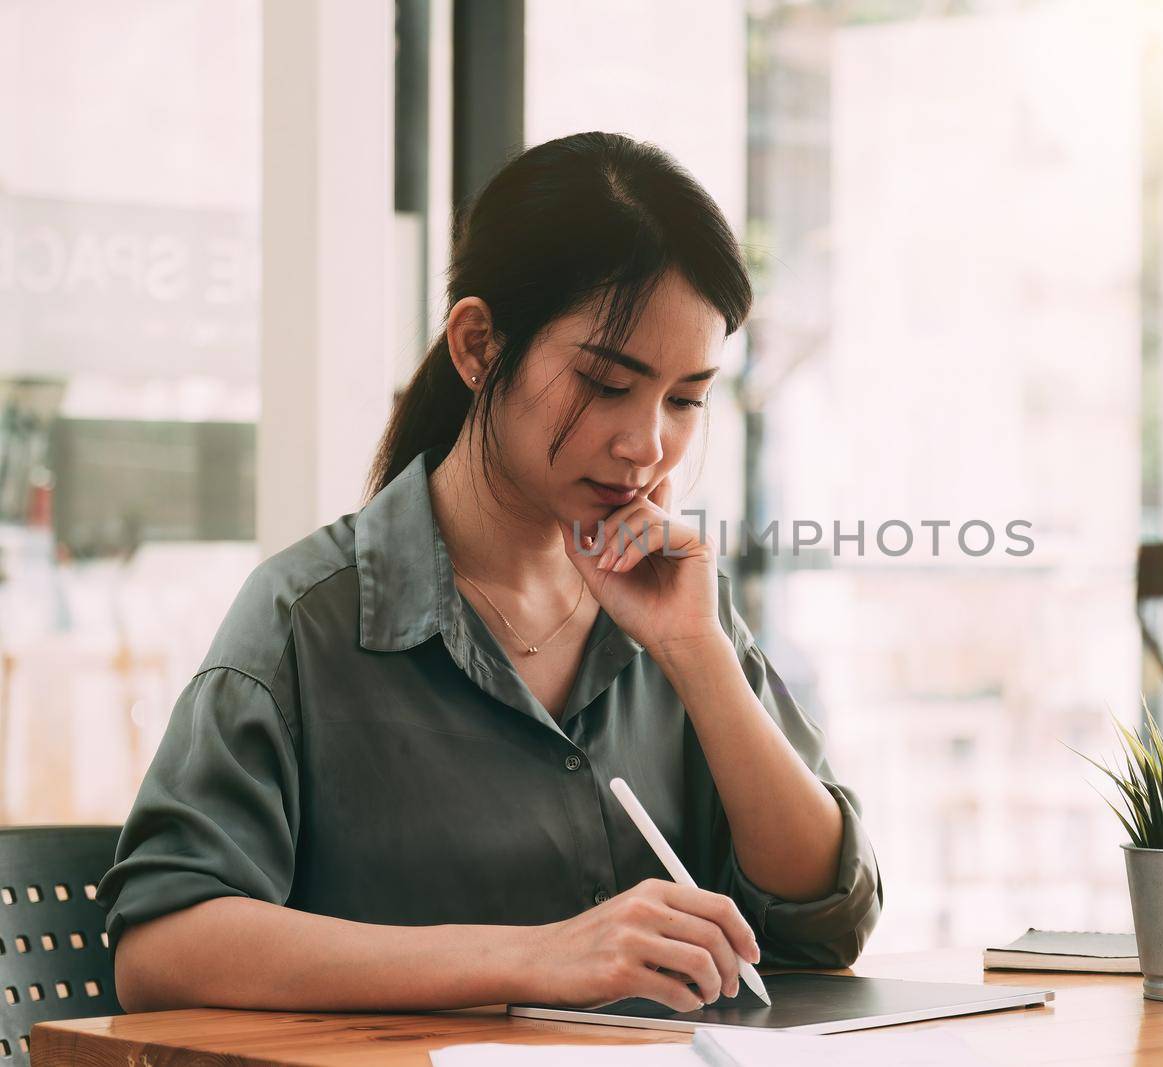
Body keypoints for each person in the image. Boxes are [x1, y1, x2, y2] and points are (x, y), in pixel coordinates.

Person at [99, 132, 882, 1014]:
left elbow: (826, 920)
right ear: (477, 346)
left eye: (686, 398)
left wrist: (699, 653)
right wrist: (534, 958)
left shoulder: (680, 609)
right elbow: (163, 946)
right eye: (604, 382)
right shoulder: (306, 618)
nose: (648, 442)